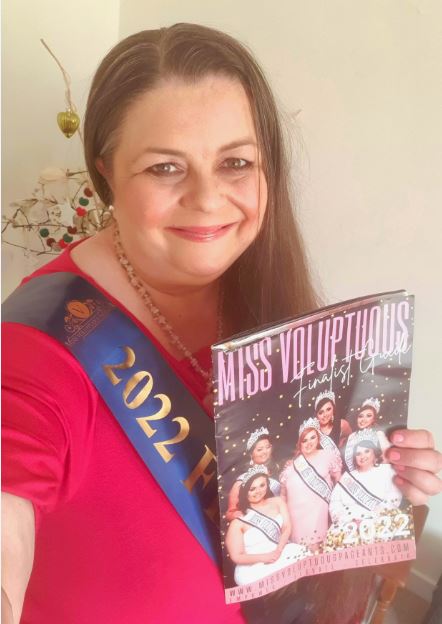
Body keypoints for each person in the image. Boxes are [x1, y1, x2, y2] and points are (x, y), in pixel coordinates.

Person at [2, 23, 442, 624]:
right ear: (106, 172)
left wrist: (384, 479)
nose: (209, 198)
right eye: (165, 168)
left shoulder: (266, 294)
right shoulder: (37, 350)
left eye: (235, 162)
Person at [225, 466, 308, 586]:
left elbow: (286, 527)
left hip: (280, 551)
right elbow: (236, 556)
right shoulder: (238, 521)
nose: (258, 491)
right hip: (253, 565)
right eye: (252, 489)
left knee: (303, 554)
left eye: (262, 485)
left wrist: (279, 550)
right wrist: (265, 557)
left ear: (267, 485)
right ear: (245, 492)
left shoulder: (278, 501)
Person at [280, 418, 342, 553]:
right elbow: (282, 496)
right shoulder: (292, 466)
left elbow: (339, 482)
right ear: (299, 443)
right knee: (301, 556)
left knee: (320, 554)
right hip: (295, 517)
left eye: (312, 438)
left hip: (319, 514)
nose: (309, 443)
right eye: (305, 440)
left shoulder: (328, 455)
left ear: (318, 438)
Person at [329, 431, 402, 526]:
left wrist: (368, 521)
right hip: (348, 527)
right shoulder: (347, 477)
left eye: (366, 451)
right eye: (358, 453)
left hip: (379, 525)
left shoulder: (387, 471)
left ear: (374, 452)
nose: (362, 456)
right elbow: (335, 503)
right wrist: (348, 521)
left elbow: (393, 499)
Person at [226, 427, 280, 521]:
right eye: (260, 449)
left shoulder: (279, 469)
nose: (265, 452)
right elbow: (230, 513)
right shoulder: (242, 480)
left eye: (267, 447)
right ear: (251, 454)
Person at [344, 397, 391, 471]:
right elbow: (349, 459)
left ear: (373, 419)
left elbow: (387, 456)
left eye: (368, 416)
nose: (363, 420)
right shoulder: (352, 436)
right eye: (360, 416)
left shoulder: (379, 434)